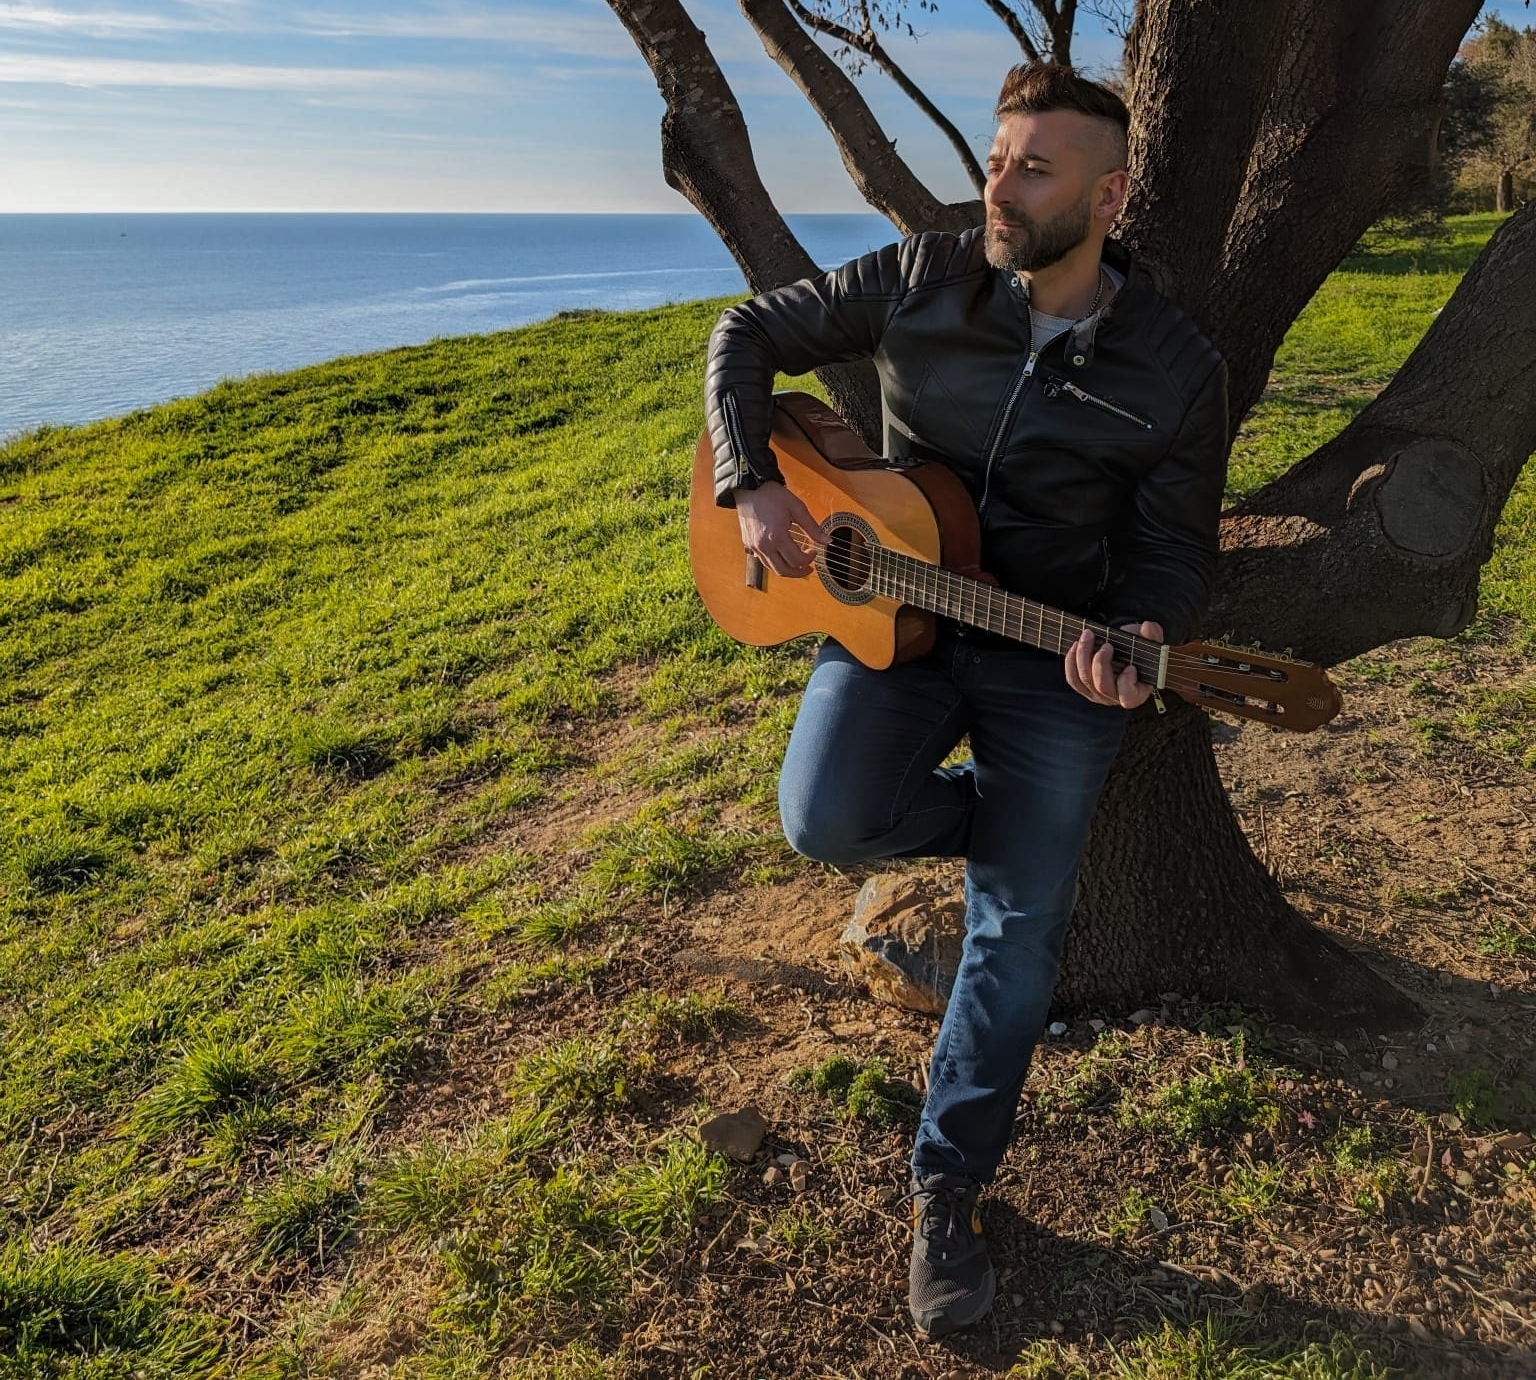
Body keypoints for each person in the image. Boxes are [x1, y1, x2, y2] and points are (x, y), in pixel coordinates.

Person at [702, 62, 1230, 1337]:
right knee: (824, 823)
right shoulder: (924, 275)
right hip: (893, 611)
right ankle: (1004, 832)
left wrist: (1145, 632)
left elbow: (1171, 551)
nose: (999, 182)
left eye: (1034, 166)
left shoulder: (1174, 368)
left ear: (1107, 196)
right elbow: (746, 335)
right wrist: (749, 485)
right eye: (998, 156)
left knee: (1020, 930)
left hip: (1051, 656)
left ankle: (949, 1188)